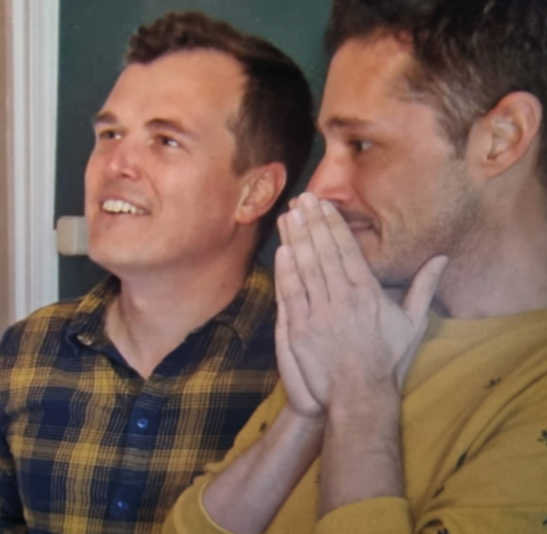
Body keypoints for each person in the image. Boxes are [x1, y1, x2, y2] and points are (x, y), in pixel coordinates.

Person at [164, 0, 547, 533]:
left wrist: (362, 399)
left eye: (362, 144)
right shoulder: (359, 319)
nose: (320, 187)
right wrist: (305, 415)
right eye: (328, 145)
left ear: (503, 138)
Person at [0, 11, 315, 534]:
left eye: (166, 140)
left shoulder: (308, 369)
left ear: (254, 193)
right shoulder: (29, 350)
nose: (114, 164)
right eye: (110, 133)